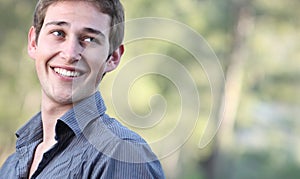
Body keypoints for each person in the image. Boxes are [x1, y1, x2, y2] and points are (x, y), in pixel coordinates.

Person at [0, 0, 165, 178]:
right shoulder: (11, 165)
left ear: (113, 57)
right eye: (58, 33)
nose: (70, 54)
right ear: (33, 42)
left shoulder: (122, 155)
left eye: (89, 39)